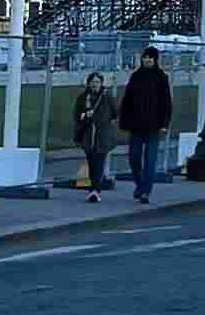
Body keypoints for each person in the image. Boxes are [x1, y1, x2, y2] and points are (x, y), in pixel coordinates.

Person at [118, 46, 175, 203]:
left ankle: (146, 192)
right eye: (145, 57)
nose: (147, 60)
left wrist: (165, 123)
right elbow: (127, 100)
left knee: (150, 160)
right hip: (136, 125)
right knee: (134, 158)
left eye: (150, 57)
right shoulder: (136, 76)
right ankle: (140, 183)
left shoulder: (161, 77)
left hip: (154, 126)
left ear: (155, 60)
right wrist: (124, 121)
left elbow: (166, 102)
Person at [71, 73, 119, 203]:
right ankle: (93, 187)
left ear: (101, 83)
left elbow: (115, 112)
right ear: (88, 83)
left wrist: (107, 124)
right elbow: (76, 114)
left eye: (97, 82)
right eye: (92, 82)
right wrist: (84, 116)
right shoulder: (83, 97)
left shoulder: (107, 97)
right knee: (91, 162)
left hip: (102, 135)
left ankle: (95, 190)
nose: (94, 84)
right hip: (87, 135)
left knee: (99, 161)